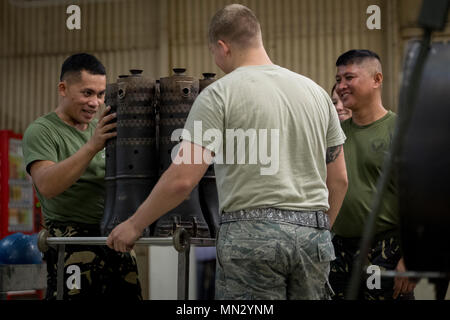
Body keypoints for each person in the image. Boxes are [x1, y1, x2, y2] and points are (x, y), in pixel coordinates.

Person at [107, 4, 348, 300]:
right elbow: (339, 180)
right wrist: (317, 232)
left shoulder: (219, 95)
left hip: (251, 239)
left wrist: (134, 224)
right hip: (314, 235)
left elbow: (183, 178)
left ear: (222, 47)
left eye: (213, 52)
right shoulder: (316, 93)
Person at [22, 53, 142, 300]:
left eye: (100, 95)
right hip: (72, 242)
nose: (95, 103)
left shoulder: (102, 130)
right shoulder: (43, 131)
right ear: (63, 89)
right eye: (87, 93)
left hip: (114, 237)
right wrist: (92, 146)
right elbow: (46, 184)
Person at [330, 49, 416, 300]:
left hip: (385, 250)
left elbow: (424, 203)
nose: (341, 86)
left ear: (377, 80)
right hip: (340, 251)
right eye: (338, 80)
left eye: (349, 78)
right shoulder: (335, 135)